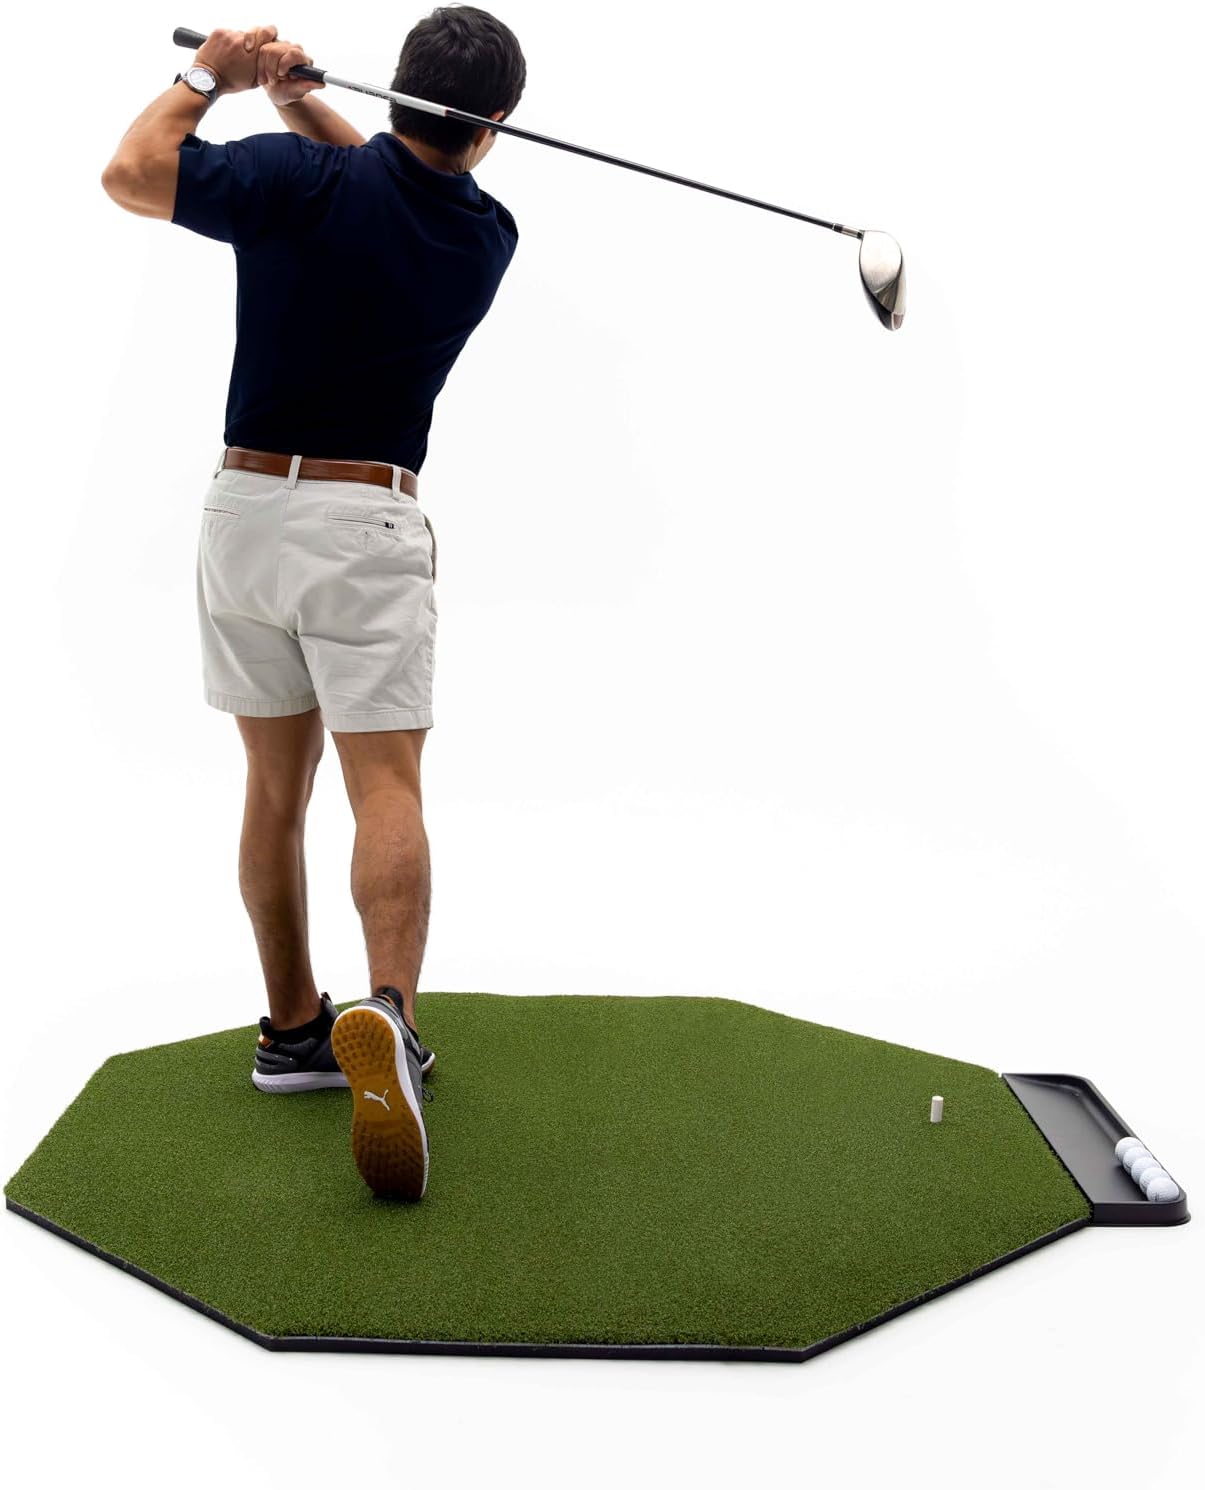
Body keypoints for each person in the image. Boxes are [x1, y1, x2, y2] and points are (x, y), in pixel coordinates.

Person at [100, 7, 526, 1201]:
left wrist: (211, 78)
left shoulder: (296, 184)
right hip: (363, 525)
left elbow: (132, 172)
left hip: (244, 514)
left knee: (272, 789)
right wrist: (294, 98)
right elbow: (392, 182)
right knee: (383, 785)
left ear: (397, 90)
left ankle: (293, 1029)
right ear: (491, 125)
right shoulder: (483, 235)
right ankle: (388, 1014)